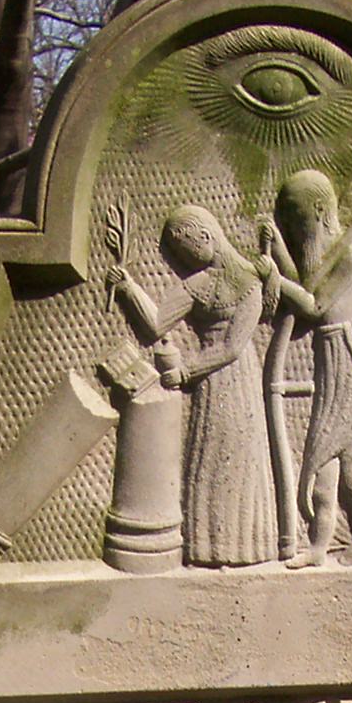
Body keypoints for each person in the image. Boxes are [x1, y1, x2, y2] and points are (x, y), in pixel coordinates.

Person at [108, 206, 278, 569]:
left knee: (241, 459)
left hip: (238, 380)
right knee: (209, 457)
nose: (184, 261)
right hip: (211, 384)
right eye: (179, 255)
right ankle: (208, 548)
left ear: (206, 236)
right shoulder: (199, 283)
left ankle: (247, 548)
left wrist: (186, 371)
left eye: (187, 250)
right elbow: (157, 323)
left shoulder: (249, 281)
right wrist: (128, 287)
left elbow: (232, 347)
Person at [262, 168, 352, 568]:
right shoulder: (330, 255)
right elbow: (307, 284)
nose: (293, 229)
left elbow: (313, 306)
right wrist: (276, 250)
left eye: (295, 219)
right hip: (334, 359)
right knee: (337, 460)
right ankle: (325, 545)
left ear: (318, 209)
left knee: (333, 455)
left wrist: (274, 277)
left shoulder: (349, 257)